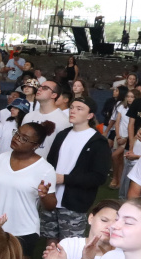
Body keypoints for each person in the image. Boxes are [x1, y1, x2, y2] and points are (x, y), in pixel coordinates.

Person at [41, 96, 111, 245]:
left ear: (90, 115)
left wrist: (64, 179)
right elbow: (50, 163)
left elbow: (98, 177)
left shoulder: (98, 142)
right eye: (72, 107)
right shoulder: (62, 134)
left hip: (74, 202)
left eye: (79, 109)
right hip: (51, 197)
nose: (73, 111)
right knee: (50, 238)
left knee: (69, 244)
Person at [0, 121, 56, 257]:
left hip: (24, 231)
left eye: (24, 138)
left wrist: (44, 195)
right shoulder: (1, 159)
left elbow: (51, 206)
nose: (17, 139)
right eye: (17, 134)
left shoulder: (45, 169)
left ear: (36, 145)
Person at [21, 80, 70, 159]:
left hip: (45, 164)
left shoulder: (63, 120)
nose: (39, 89)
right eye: (40, 87)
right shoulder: (28, 116)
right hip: (23, 161)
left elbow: (63, 151)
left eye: (45, 88)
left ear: (54, 95)